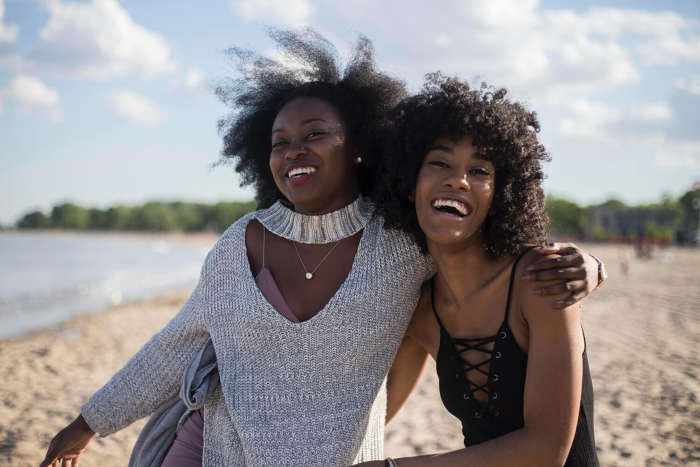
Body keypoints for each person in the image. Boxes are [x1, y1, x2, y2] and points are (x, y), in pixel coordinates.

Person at [40, 31, 602, 467]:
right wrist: (86, 423)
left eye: (315, 134)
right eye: (279, 142)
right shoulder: (238, 246)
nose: (294, 151)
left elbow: (484, 253)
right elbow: (175, 347)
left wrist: (592, 267)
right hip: (213, 450)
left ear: (359, 148)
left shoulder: (403, 246)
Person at [361, 75, 600, 466]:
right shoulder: (420, 311)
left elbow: (546, 450)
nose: (457, 180)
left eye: (480, 171)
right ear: (408, 184)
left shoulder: (539, 280)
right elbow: (369, 417)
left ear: (501, 194)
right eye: (439, 163)